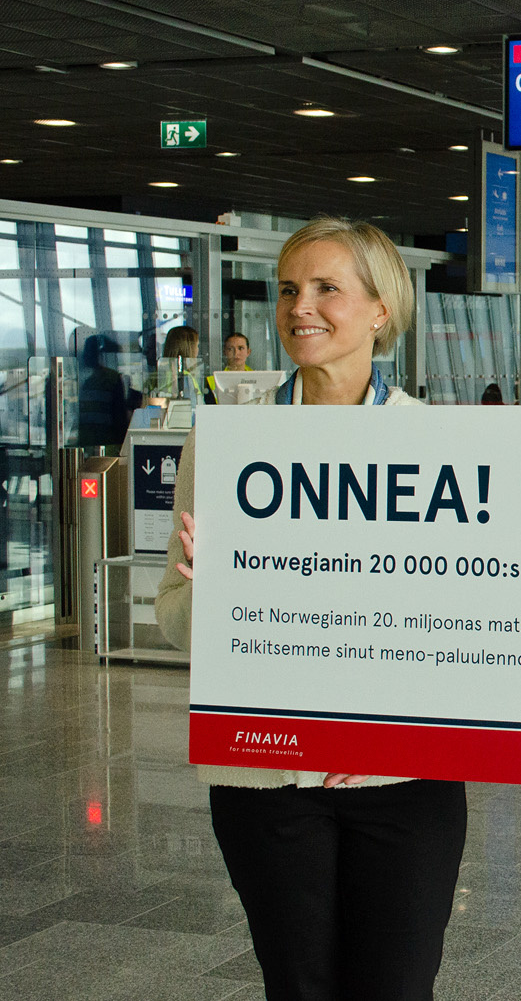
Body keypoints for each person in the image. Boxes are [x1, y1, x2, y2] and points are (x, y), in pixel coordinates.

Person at [155, 218, 467, 1001]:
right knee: (298, 986)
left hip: (403, 778)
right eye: (290, 288)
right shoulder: (226, 443)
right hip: (266, 778)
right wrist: (213, 592)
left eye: (328, 288)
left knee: (396, 986)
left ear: (381, 310)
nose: (301, 306)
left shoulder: (440, 443)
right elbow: (176, 621)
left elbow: (467, 628)